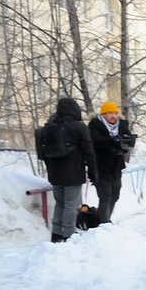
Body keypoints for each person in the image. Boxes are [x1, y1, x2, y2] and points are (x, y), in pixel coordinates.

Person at [35, 97, 97, 243]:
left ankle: (56, 234)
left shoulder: (49, 127)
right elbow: (88, 150)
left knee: (60, 204)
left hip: (55, 174)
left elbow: (42, 153)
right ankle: (69, 235)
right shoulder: (79, 127)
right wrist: (93, 171)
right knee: (71, 205)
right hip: (73, 173)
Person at [88, 101, 136, 224]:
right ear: (103, 114)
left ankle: (104, 220)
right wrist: (113, 141)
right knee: (105, 196)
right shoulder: (95, 125)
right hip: (101, 167)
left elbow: (128, 140)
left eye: (115, 113)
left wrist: (125, 144)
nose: (113, 116)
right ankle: (105, 223)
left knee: (115, 195)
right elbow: (96, 142)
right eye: (110, 113)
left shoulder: (122, 125)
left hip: (116, 167)